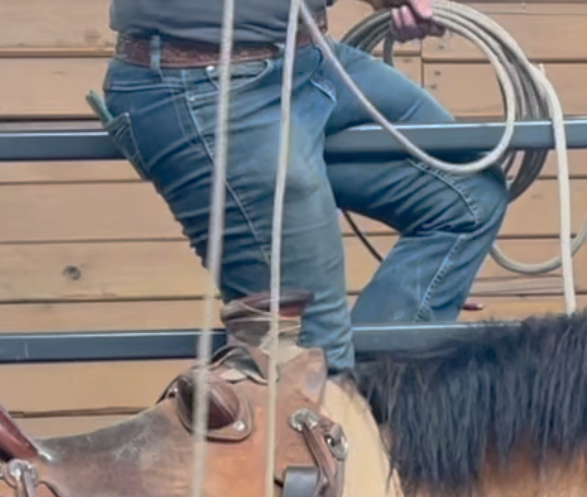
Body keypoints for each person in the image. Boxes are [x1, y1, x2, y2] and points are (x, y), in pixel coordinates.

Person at [97, 0, 510, 373]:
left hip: (309, 58)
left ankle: (374, 400)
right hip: (202, 82)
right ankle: (349, 415)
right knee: (313, 359)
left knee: (472, 190)